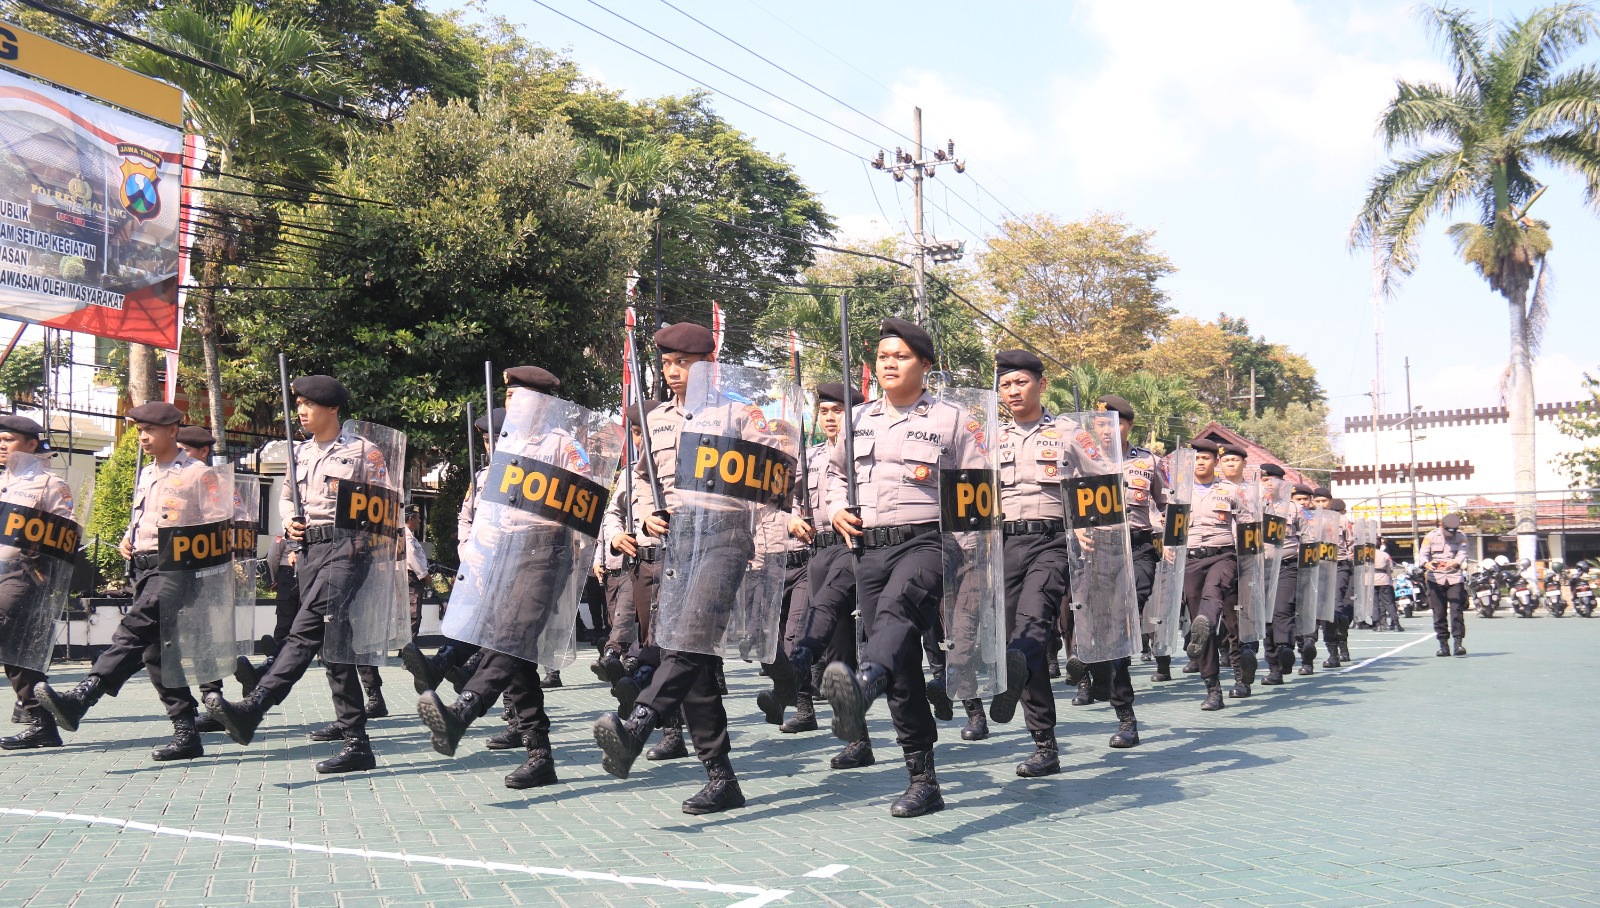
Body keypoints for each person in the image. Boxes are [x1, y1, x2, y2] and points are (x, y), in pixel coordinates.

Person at [817, 318, 991, 818]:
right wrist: (833, 508)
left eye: (901, 356)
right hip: (869, 547)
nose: (889, 363)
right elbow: (831, 472)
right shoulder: (858, 420)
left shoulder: (953, 421)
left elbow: (978, 489)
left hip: (928, 543)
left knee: (893, 620)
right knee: (902, 664)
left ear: (925, 366)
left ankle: (863, 681)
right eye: (883, 356)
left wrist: (966, 554)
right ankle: (923, 779)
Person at [592, 322, 758, 815]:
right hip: (676, 544)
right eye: (666, 364)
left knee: (685, 641)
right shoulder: (658, 419)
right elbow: (640, 479)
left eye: (681, 363)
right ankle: (721, 778)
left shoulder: (739, 414)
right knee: (697, 659)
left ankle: (638, 726)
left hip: (725, 537)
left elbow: (776, 473)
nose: (672, 373)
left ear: (709, 363)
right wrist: (644, 512)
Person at [205, 375, 397, 773]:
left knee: (304, 630)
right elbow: (288, 499)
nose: (302, 412)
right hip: (310, 551)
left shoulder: (363, 452)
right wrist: (291, 530)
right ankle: (357, 743)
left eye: (310, 404)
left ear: (332, 408)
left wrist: (368, 552)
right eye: (299, 405)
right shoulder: (300, 453)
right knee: (334, 647)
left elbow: (386, 506)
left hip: (349, 550)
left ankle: (255, 706)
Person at [416, 366, 586, 790]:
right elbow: (489, 515)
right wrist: (477, 562)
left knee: (508, 641)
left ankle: (463, 710)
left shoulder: (562, 445)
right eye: (507, 395)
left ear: (542, 402)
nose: (509, 403)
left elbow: (586, 506)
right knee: (517, 658)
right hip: (501, 558)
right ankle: (539, 755)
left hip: (544, 552)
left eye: (517, 396)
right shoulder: (504, 451)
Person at [35, 402, 223, 761]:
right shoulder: (149, 473)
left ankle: (82, 696)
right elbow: (146, 518)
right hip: (143, 567)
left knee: (134, 628)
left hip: (178, 570)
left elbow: (225, 524)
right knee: (156, 652)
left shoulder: (200, 474)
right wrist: (129, 538)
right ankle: (186, 731)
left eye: (149, 430)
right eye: (139, 431)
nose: (143, 437)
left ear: (173, 431)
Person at [785, 382, 875, 766]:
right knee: (839, 652)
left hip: (857, 548)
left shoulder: (870, 451)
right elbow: (787, 496)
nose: (830, 418)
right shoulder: (812, 455)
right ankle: (857, 739)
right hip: (819, 550)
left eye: (838, 411)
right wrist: (791, 517)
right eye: (825, 411)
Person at [0, 415, 77, 750]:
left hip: (23, 572)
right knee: (17, 652)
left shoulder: (50, 484)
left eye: (8, 439)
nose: (1, 446)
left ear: (32, 444)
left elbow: (68, 533)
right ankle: (41, 722)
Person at [1180, 439, 1242, 712]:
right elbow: (1170, 524)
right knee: (1198, 628)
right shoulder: (1178, 493)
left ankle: (1207, 620)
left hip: (1223, 554)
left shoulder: (1230, 491)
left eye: (1206, 457)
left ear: (1216, 462)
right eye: (1196, 458)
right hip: (1191, 559)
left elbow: (1247, 526)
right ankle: (1213, 688)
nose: (1201, 462)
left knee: (1214, 592)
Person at [1258, 466, 1306, 686]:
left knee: (1281, 610)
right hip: (1260, 567)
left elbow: (1309, 538)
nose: (1267, 483)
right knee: (1266, 617)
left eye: (1271, 479)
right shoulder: (1252, 506)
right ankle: (1274, 667)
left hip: (1287, 566)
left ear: (1282, 483)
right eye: (1263, 479)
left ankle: (1286, 648)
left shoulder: (1295, 509)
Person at [1421, 514, 1469, 657]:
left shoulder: (1461, 536)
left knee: (1457, 611)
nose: (1451, 535)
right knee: (1439, 612)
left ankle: (1458, 643)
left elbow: (1462, 554)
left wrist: (1454, 563)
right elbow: (1423, 555)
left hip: (1454, 577)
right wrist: (1427, 564)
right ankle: (1443, 645)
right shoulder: (1430, 536)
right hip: (1435, 578)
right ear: (1441, 526)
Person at [1323, 499, 1355, 667]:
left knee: (1334, 609)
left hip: (1339, 566)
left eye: (1323, 501)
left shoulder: (1343, 521)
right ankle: (1334, 651)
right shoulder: (1308, 519)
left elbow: (1352, 544)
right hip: (1314, 567)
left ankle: (1337, 650)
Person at [404, 506, 430, 638]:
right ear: (411, 518)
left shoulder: (408, 536)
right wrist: (424, 575)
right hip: (412, 578)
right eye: (418, 518)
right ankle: (408, 648)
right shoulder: (406, 537)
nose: (420, 521)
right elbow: (411, 557)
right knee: (413, 614)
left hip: (412, 578)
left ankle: (407, 647)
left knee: (412, 613)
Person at [1372, 545, 1401, 632]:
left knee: (1374, 603)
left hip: (1370, 580)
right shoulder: (1385, 555)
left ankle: (1377, 624)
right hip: (1383, 579)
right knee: (1389, 602)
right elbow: (1390, 569)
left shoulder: (1366, 554)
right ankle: (1396, 623)